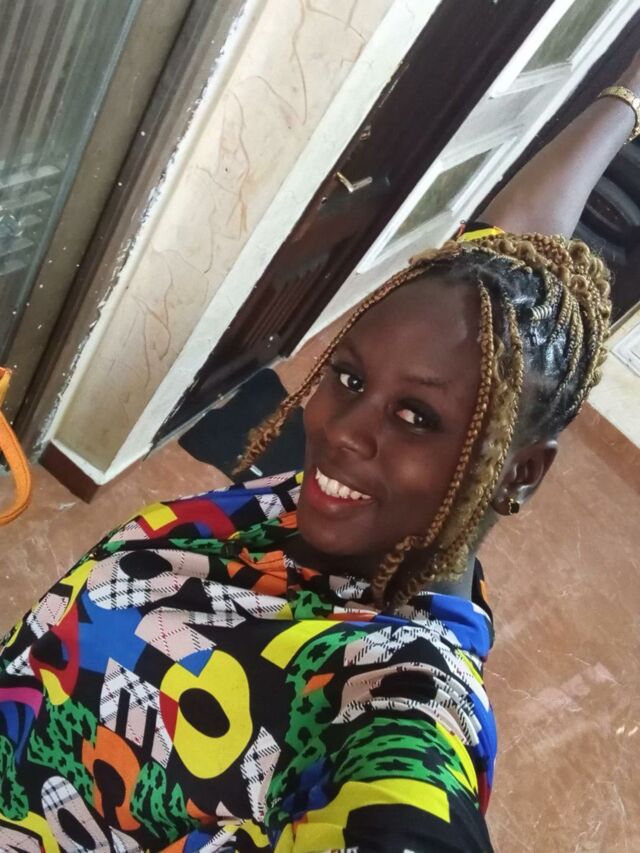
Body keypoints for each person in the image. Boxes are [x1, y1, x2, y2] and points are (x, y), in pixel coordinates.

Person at [1, 53, 639, 853]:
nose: (343, 430)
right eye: (350, 377)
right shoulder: (330, 510)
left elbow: (405, 804)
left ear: (522, 472)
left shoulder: (394, 689)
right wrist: (628, 95)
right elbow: (516, 246)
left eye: (416, 415)